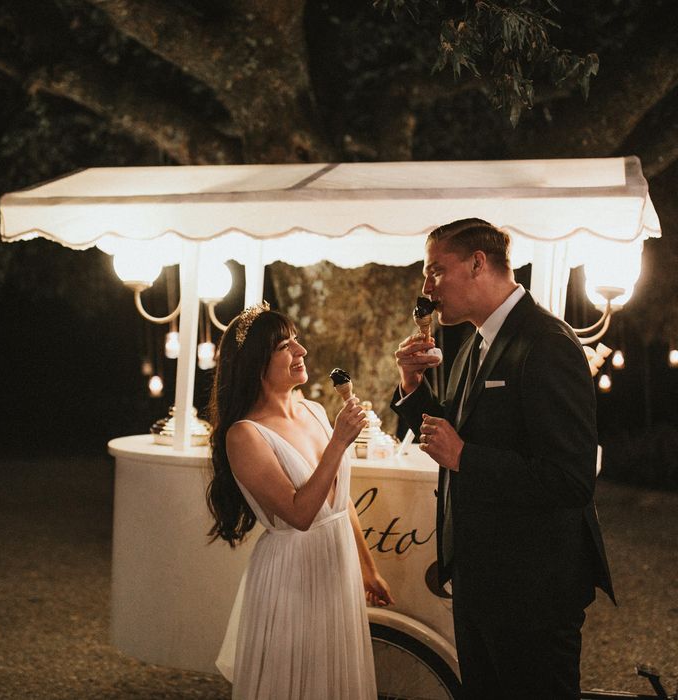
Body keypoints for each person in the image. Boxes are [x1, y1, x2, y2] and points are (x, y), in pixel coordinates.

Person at [391, 218, 615, 699]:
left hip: (532, 589)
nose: (427, 288)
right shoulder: (475, 341)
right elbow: (448, 437)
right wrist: (412, 387)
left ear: (478, 263)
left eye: (435, 271)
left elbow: (570, 478)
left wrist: (467, 457)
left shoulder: (547, 342)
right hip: (481, 581)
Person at [207, 303, 394, 700]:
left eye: (296, 341)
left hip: (337, 563)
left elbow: (339, 504)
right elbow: (299, 513)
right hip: (291, 575)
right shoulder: (245, 435)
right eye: (284, 346)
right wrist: (339, 442)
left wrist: (367, 568)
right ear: (256, 363)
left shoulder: (313, 410)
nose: (301, 351)